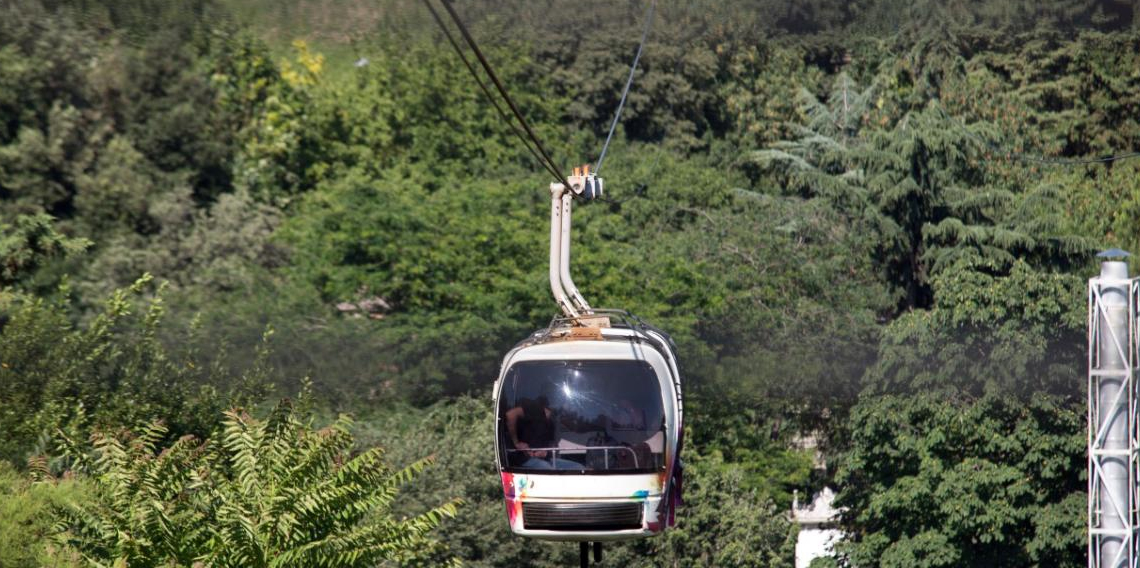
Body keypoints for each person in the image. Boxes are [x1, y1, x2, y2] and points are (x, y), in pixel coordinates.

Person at [505, 395, 580, 470]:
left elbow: (553, 444)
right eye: (567, 403)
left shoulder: (553, 421)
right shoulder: (534, 408)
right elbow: (510, 414)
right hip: (524, 459)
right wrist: (516, 443)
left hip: (546, 460)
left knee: (578, 467)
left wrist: (546, 452)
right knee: (549, 469)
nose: (569, 406)